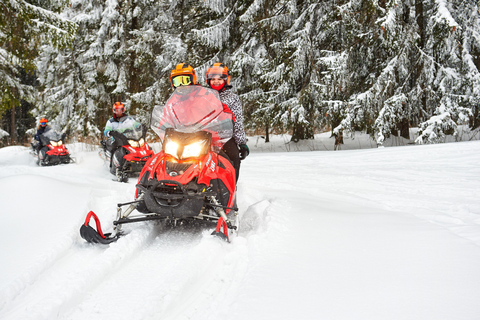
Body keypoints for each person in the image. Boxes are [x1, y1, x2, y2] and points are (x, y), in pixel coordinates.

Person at [206, 62, 249, 181]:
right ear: (208, 80)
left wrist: (241, 143)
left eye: (220, 79)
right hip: (204, 135)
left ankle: (231, 186)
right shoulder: (203, 95)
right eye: (213, 79)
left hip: (225, 136)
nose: (216, 81)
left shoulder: (232, 98)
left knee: (233, 156)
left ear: (226, 80)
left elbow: (238, 121)